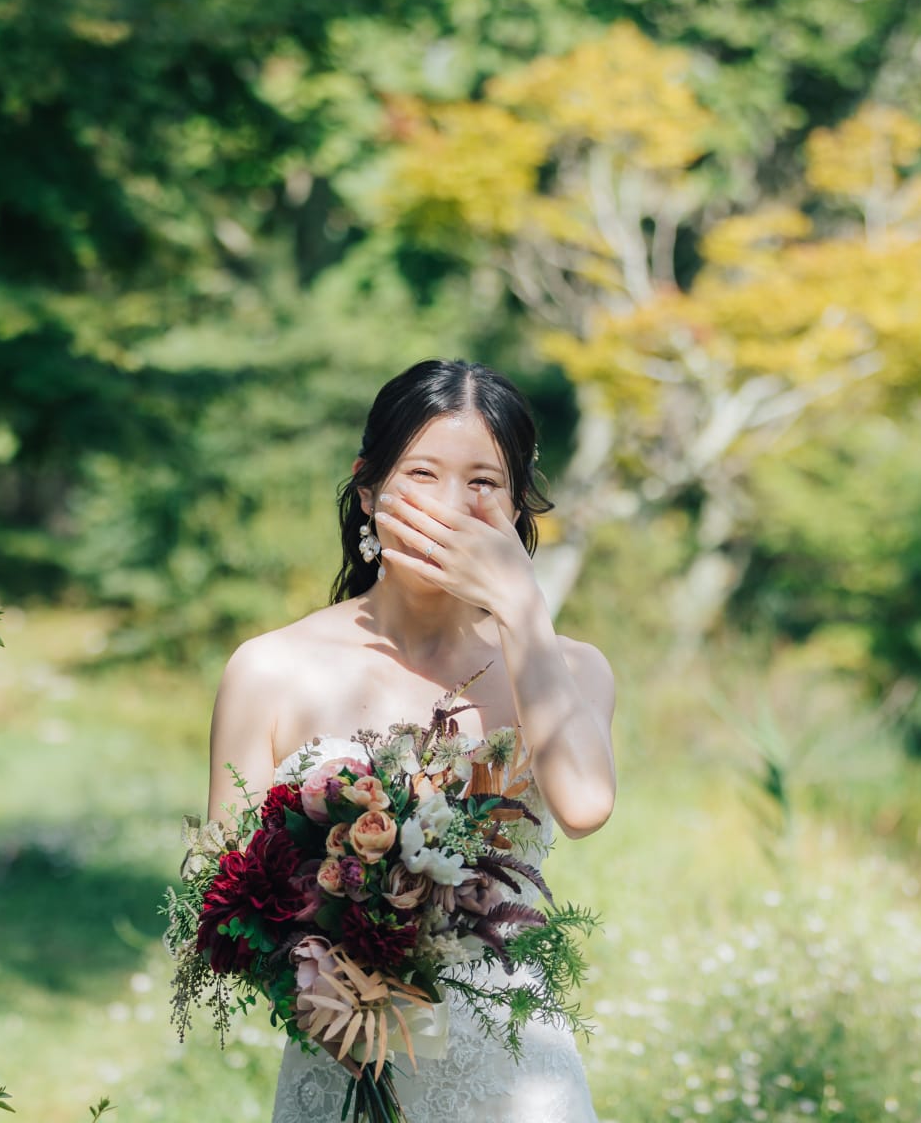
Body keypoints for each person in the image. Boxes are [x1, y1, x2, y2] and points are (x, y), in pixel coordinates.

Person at [205, 358, 616, 1122]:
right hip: (344, 1060)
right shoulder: (270, 668)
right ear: (367, 488)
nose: (451, 508)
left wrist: (524, 608)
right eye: (422, 474)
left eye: (483, 483)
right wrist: (314, 981)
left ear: (517, 506)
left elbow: (586, 804)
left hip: (519, 1080)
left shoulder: (571, 669)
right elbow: (227, 895)